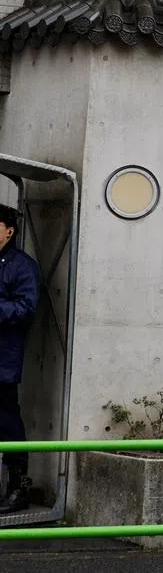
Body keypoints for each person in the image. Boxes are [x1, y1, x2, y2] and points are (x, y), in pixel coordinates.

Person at [0, 203, 39, 514]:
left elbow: (26, 307)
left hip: (3, 359)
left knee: (7, 419)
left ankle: (18, 485)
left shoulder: (22, 265)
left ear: (9, 231)